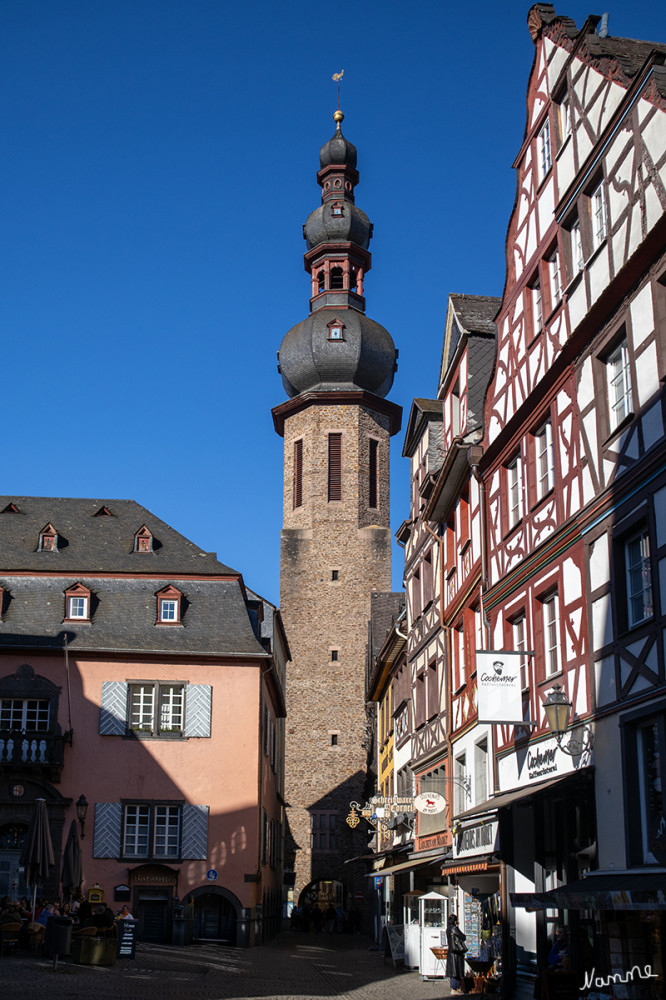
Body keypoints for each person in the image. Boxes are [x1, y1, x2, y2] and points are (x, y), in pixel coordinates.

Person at [446, 912, 467, 995]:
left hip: (451, 952)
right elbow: (463, 937)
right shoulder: (454, 928)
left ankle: (454, 988)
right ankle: (454, 988)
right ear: (455, 921)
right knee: (456, 971)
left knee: (453, 971)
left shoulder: (448, 929)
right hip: (456, 953)